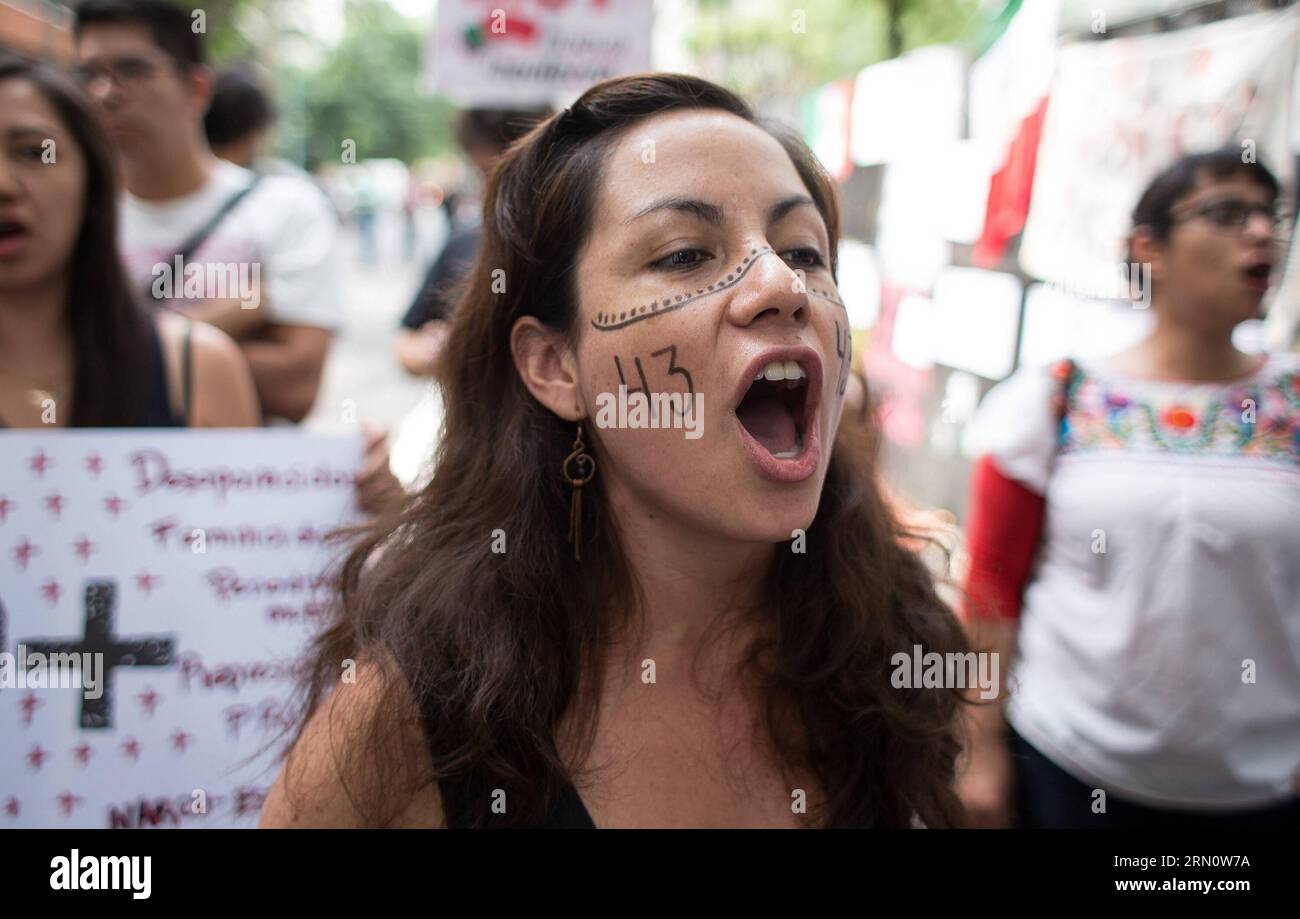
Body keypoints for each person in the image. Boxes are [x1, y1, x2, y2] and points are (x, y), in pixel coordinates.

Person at [259, 73, 972, 830]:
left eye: (803, 250)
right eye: (684, 254)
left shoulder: (896, 641)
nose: (779, 283)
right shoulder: (408, 720)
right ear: (556, 367)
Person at [958, 149, 1300, 828]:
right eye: (1227, 214)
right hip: (1066, 772)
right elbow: (990, 587)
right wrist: (980, 751)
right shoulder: (1057, 396)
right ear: (1150, 248)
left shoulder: (1291, 402)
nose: (1262, 233)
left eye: (1272, 216)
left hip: (1261, 793)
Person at [73, 0, 341, 424]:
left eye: (132, 70)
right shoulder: (67, 217)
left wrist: (104, 349)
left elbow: (295, 388)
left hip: (244, 481)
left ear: (196, 88)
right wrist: (235, 315)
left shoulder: (286, 207)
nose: (105, 93)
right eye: (89, 74)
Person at [0, 53, 257, 429]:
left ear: (96, 181)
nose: (3, 185)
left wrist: (359, 484)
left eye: (33, 152)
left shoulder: (195, 368)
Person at [396, 108, 549, 379]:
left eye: (510, 172)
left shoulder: (581, 245)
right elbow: (407, 347)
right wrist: (441, 349)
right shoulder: (465, 241)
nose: (492, 188)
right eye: (486, 174)